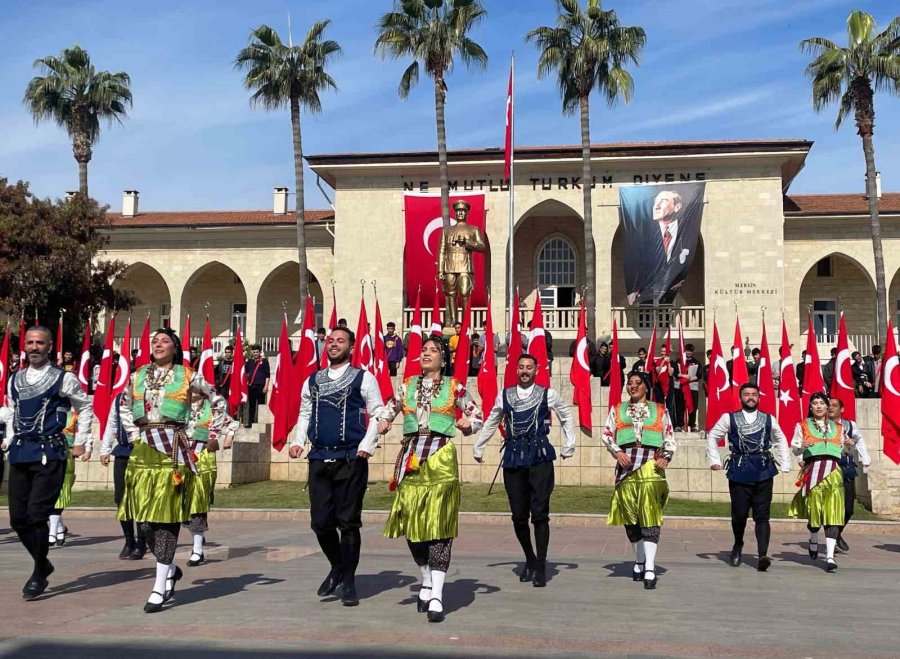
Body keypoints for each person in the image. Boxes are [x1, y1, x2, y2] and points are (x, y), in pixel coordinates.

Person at [116, 327, 228, 612]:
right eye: (154, 341)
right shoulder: (138, 375)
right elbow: (124, 406)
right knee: (144, 521)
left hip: (174, 450)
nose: (158, 344)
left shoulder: (189, 374)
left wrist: (201, 434)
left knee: (166, 518)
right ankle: (169, 572)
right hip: (143, 451)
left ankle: (158, 586)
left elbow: (216, 400)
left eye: (164, 341)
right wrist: (134, 435)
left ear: (175, 348)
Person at [376, 336, 483, 622]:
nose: (426, 353)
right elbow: (387, 409)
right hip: (411, 458)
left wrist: (468, 424)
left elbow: (478, 415)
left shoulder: (454, 386)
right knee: (412, 525)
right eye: (423, 350)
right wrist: (384, 421)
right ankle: (425, 577)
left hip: (440, 460)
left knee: (439, 527)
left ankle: (437, 594)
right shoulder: (407, 385)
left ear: (443, 359)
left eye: (433, 350)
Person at [288, 327, 384, 607]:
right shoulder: (313, 380)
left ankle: (350, 581)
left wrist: (366, 446)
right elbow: (305, 412)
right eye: (330, 341)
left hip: (351, 459)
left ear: (351, 347)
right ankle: (337, 566)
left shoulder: (363, 378)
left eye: (340, 341)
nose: (333, 345)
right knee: (320, 523)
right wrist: (298, 440)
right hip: (319, 457)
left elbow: (378, 413)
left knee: (349, 523)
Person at [0, 326, 93, 599]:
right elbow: (14, 412)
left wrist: (81, 441)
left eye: (40, 342)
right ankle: (44, 563)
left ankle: (38, 574)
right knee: (18, 518)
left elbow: (84, 407)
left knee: (37, 515)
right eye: (30, 342)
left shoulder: (63, 379)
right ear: (24, 345)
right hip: (20, 452)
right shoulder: (15, 379)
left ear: (50, 346)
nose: (34, 347)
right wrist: (10, 439)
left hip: (48, 453)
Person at [474, 354, 576, 587]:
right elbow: (492, 420)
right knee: (519, 516)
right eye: (521, 367)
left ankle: (541, 565)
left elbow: (566, 415)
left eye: (529, 367)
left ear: (536, 370)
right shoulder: (505, 395)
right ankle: (529, 557)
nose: (524, 371)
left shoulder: (548, 394)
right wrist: (479, 445)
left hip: (539, 457)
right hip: (513, 458)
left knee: (540, 513)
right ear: (516, 370)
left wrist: (569, 444)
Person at [600, 371, 676, 589]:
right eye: (629, 383)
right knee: (630, 518)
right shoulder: (618, 409)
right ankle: (639, 559)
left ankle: (650, 567)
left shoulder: (660, 410)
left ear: (646, 387)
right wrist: (617, 452)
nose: (632, 387)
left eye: (637, 383)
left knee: (650, 515)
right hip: (626, 467)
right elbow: (606, 434)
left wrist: (666, 458)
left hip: (651, 465)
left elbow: (669, 436)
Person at [705, 383, 791, 571]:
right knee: (740, 514)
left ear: (759, 397)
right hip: (739, 470)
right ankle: (738, 544)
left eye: (754, 394)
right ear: (740, 397)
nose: (750, 397)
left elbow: (781, 438)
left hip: (763, 470)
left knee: (762, 516)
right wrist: (714, 460)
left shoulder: (769, 419)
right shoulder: (729, 418)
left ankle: (762, 555)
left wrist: (785, 462)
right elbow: (712, 436)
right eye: (746, 394)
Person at [787, 392, 846, 572]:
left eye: (822, 403)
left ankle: (829, 557)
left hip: (834, 471)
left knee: (833, 513)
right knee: (815, 513)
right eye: (815, 403)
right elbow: (795, 448)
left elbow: (844, 450)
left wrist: (850, 446)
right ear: (810, 407)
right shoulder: (802, 425)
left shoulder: (839, 427)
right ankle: (813, 537)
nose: (819, 406)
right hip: (814, 470)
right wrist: (802, 447)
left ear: (828, 407)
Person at [183, 393, 239, 567]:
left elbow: (232, 423)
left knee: (197, 503)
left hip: (202, 458)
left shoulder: (212, 410)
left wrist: (228, 438)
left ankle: (197, 549)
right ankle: (196, 536)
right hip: (181, 458)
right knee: (181, 504)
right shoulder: (178, 407)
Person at [100, 384, 146, 560]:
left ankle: (142, 542)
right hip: (123, 452)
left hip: (143, 453)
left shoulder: (149, 398)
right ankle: (129, 540)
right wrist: (105, 449)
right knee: (121, 498)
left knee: (141, 499)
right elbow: (112, 424)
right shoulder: (119, 399)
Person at [827, 397, 871, 552]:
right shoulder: (821, 425)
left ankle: (837, 534)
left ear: (842, 409)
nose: (831, 408)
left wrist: (865, 459)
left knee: (849, 508)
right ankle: (831, 537)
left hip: (846, 468)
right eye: (829, 405)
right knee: (830, 507)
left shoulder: (850, 425)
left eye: (834, 405)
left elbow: (859, 440)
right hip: (828, 469)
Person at [437, 199, 486, 323]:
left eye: (463, 211)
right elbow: (442, 251)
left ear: (467, 213)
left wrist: (467, 243)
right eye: (458, 211)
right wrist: (440, 270)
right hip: (449, 266)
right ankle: (453, 320)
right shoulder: (446, 230)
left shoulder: (473, 229)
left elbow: (482, 247)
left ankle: (465, 322)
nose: (460, 213)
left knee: (465, 292)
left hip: (465, 265)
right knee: (451, 294)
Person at [47, 407, 89, 548]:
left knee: (61, 492)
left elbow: (85, 430)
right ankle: (59, 527)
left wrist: (87, 448)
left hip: (66, 455)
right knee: (47, 495)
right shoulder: (48, 409)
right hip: (48, 453)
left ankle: (52, 533)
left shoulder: (75, 413)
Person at [675, 344, 701, 431]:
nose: (689, 353)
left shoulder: (696, 362)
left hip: (692, 387)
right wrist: (684, 376)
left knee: (693, 406)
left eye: (690, 351)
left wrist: (689, 379)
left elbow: (699, 375)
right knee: (680, 406)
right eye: (687, 351)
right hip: (680, 386)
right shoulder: (679, 361)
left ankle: (692, 425)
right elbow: (675, 374)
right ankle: (679, 424)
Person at [243, 344, 270, 427]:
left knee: (260, 405)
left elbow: (267, 375)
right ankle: (250, 422)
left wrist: (266, 386)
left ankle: (259, 422)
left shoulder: (264, 361)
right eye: (254, 352)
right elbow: (245, 373)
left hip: (261, 386)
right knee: (251, 405)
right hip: (251, 386)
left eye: (257, 352)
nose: (255, 353)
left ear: (260, 352)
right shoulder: (249, 362)